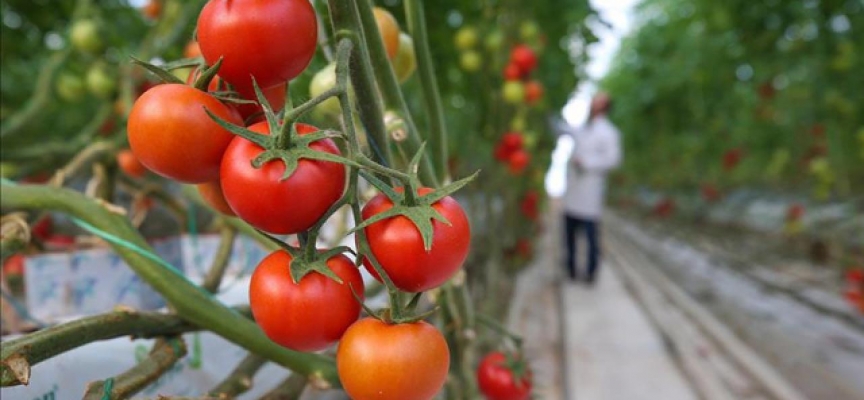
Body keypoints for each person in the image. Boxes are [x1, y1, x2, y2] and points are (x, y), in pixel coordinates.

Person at [562, 92, 622, 284]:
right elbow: (566, 130)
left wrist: (587, 162)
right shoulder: (583, 128)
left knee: (590, 236)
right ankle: (571, 269)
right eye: (593, 100)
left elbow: (613, 159)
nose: (593, 103)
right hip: (574, 190)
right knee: (569, 234)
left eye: (598, 101)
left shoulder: (609, 132)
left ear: (605, 106)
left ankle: (590, 273)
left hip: (590, 190)